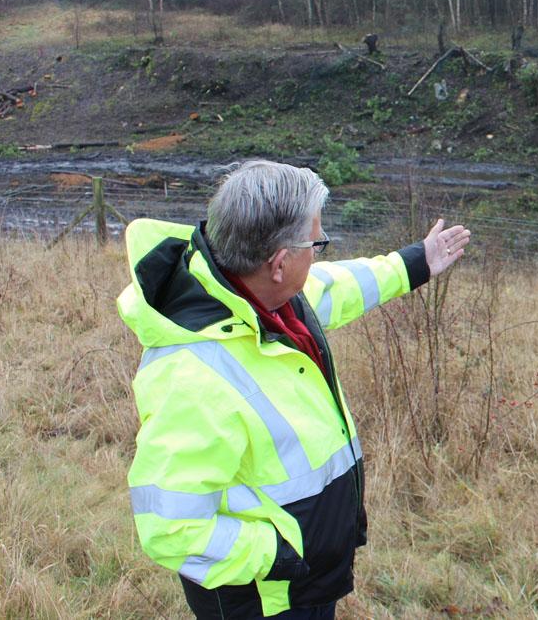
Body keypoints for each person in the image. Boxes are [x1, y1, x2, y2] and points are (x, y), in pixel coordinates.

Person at [116, 160, 471, 618]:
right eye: (316, 243)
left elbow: (340, 286)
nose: (320, 254)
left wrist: (417, 261)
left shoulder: (264, 299)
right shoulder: (193, 379)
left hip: (303, 584)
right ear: (280, 263)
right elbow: (169, 526)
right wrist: (281, 554)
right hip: (265, 600)